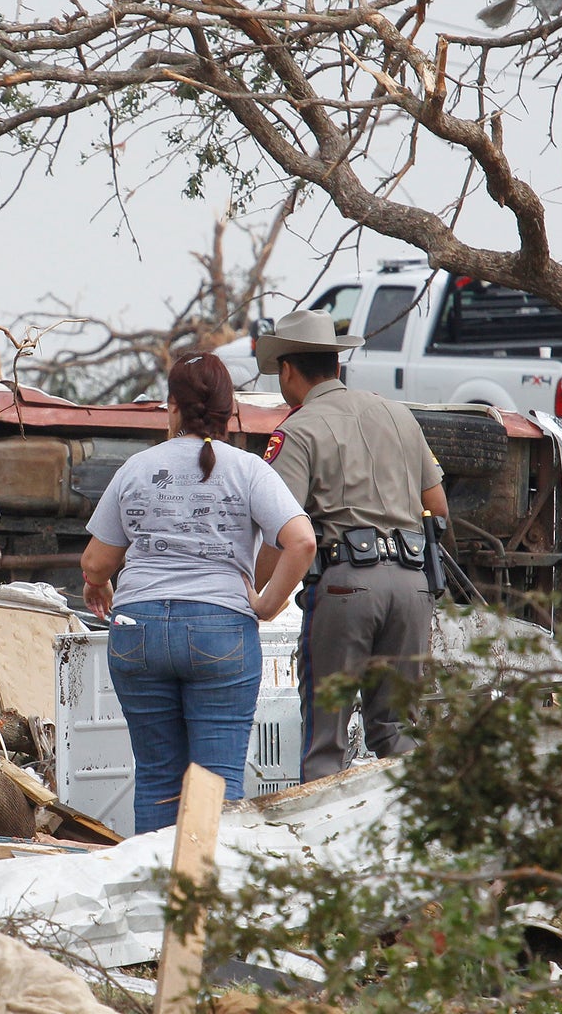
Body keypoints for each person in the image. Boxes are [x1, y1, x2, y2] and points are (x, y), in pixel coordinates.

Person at [80, 353, 316, 830]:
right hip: (220, 629)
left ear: (171, 407)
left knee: (157, 781)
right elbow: (302, 541)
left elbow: (95, 562)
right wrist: (268, 604)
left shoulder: (137, 467)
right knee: (217, 783)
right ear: (231, 412)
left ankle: (154, 896)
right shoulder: (248, 470)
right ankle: (209, 899)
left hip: (137, 628)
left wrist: (99, 584)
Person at [252, 309, 449, 783]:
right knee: (397, 729)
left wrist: (257, 595)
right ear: (336, 366)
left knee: (327, 737)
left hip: (345, 590)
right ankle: (411, 837)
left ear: (286, 370)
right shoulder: (399, 415)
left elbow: (284, 529)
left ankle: (320, 851)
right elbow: (438, 508)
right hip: (411, 587)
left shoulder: (296, 431)